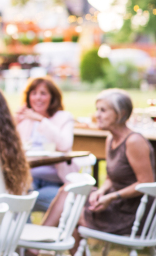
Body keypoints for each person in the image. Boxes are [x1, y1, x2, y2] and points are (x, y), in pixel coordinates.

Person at [41, 89, 155, 252]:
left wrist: (111, 197)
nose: (97, 115)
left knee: (71, 213)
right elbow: (111, 176)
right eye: (97, 109)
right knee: (69, 190)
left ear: (120, 113)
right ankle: (38, 244)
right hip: (114, 201)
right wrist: (101, 192)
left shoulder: (134, 141)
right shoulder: (111, 139)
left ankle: (34, 247)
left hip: (131, 212)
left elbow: (146, 183)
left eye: (103, 110)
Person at [15, 76, 76, 211]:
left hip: (55, 181)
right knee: (18, 196)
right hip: (29, 179)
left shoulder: (63, 117)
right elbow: (11, 147)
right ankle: (24, 231)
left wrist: (41, 120)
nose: (38, 98)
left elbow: (65, 145)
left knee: (21, 202)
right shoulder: (24, 120)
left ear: (52, 97)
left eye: (43, 93)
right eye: (34, 93)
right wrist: (14, 122)